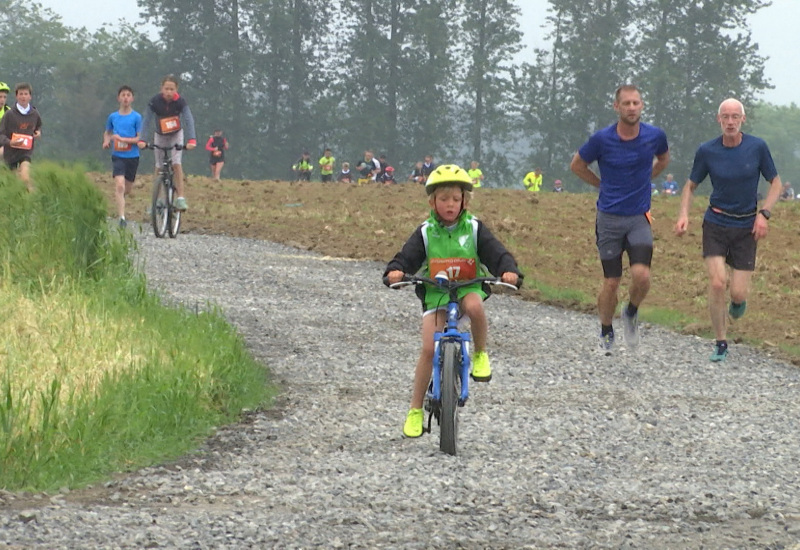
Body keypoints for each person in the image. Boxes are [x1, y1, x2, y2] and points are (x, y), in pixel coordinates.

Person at [383, 164, 523, 438]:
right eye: (443, 199)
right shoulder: (425, 232)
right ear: (432, 202)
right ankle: (414, 411)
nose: (449, 204)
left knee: (474, 307)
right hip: (436, 293)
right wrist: (395, 271)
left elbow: (497, 254)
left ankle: (480, 354)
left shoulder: (474, 228)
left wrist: (509, 270)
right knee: (427, 349)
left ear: (465, 202)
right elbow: (406, 257)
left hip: (468, 287)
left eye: (455, 200)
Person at [674, 98, 783, 362]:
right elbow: (690, 185)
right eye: (726, 117)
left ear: (743, 120)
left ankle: (736, 303)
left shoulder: (757, 147)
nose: (730, 122)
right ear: (718, 120)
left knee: (737, 292)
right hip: (716, 223)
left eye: (735, 117)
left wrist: (764, 214)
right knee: (716, 282)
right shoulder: (707, 150)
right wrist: (684, 214)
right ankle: (720, 341)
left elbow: (776, 183)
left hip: (747, 226)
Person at [569, 84, 670, 352]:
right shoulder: (602, 139)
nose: (632, 108)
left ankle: (631, 312)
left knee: (642, 276)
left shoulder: (654, 135)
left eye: (636, 103)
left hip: (638, 217)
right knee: (611, 281)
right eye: (626, 103)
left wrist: (647, 179)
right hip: (609, 218)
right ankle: (605, 327)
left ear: (642, 105)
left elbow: (664, 158)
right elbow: (577, 165)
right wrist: (600, 184)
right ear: (617, 107)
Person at [138, 75, 197, 211]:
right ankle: (156, 200)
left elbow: (188, 119)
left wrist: (192, 139)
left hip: (176, 135)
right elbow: (146, 120)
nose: (169, 92)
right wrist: (142, 139)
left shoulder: (181, 102)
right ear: (161, 89)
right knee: (159, 166)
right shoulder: (155, 101)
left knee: (176, 163)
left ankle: (181, 198)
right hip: (160, 135)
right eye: (166, 89)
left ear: (176, 90)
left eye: (172, 89)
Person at [102, 85, 142, 228]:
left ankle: (121, 202)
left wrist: (124, 140)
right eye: (123, 95)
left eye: (128, 95)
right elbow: (107, 132)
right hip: (118, 155)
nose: (125, 97)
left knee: (127, 189)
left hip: (132, 156)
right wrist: (106, 141)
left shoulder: (137, 117)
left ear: (132, 98)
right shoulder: (113, 117)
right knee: (119, 185)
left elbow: (139, 138)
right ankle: (122, 218)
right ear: (118, 98)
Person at [0, 82, 43, 192]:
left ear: (30, 96)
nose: (23, 96)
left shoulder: (34, 114)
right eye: (21, 94)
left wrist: (38, 132)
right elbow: (1, 134)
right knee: (14, 182)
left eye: (25, 94)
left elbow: (38, 126)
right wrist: (10, 142)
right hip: (10, 153)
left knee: (25, 176)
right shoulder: (9, 114)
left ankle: (34, 197)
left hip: (25, 152)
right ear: (16, 96)